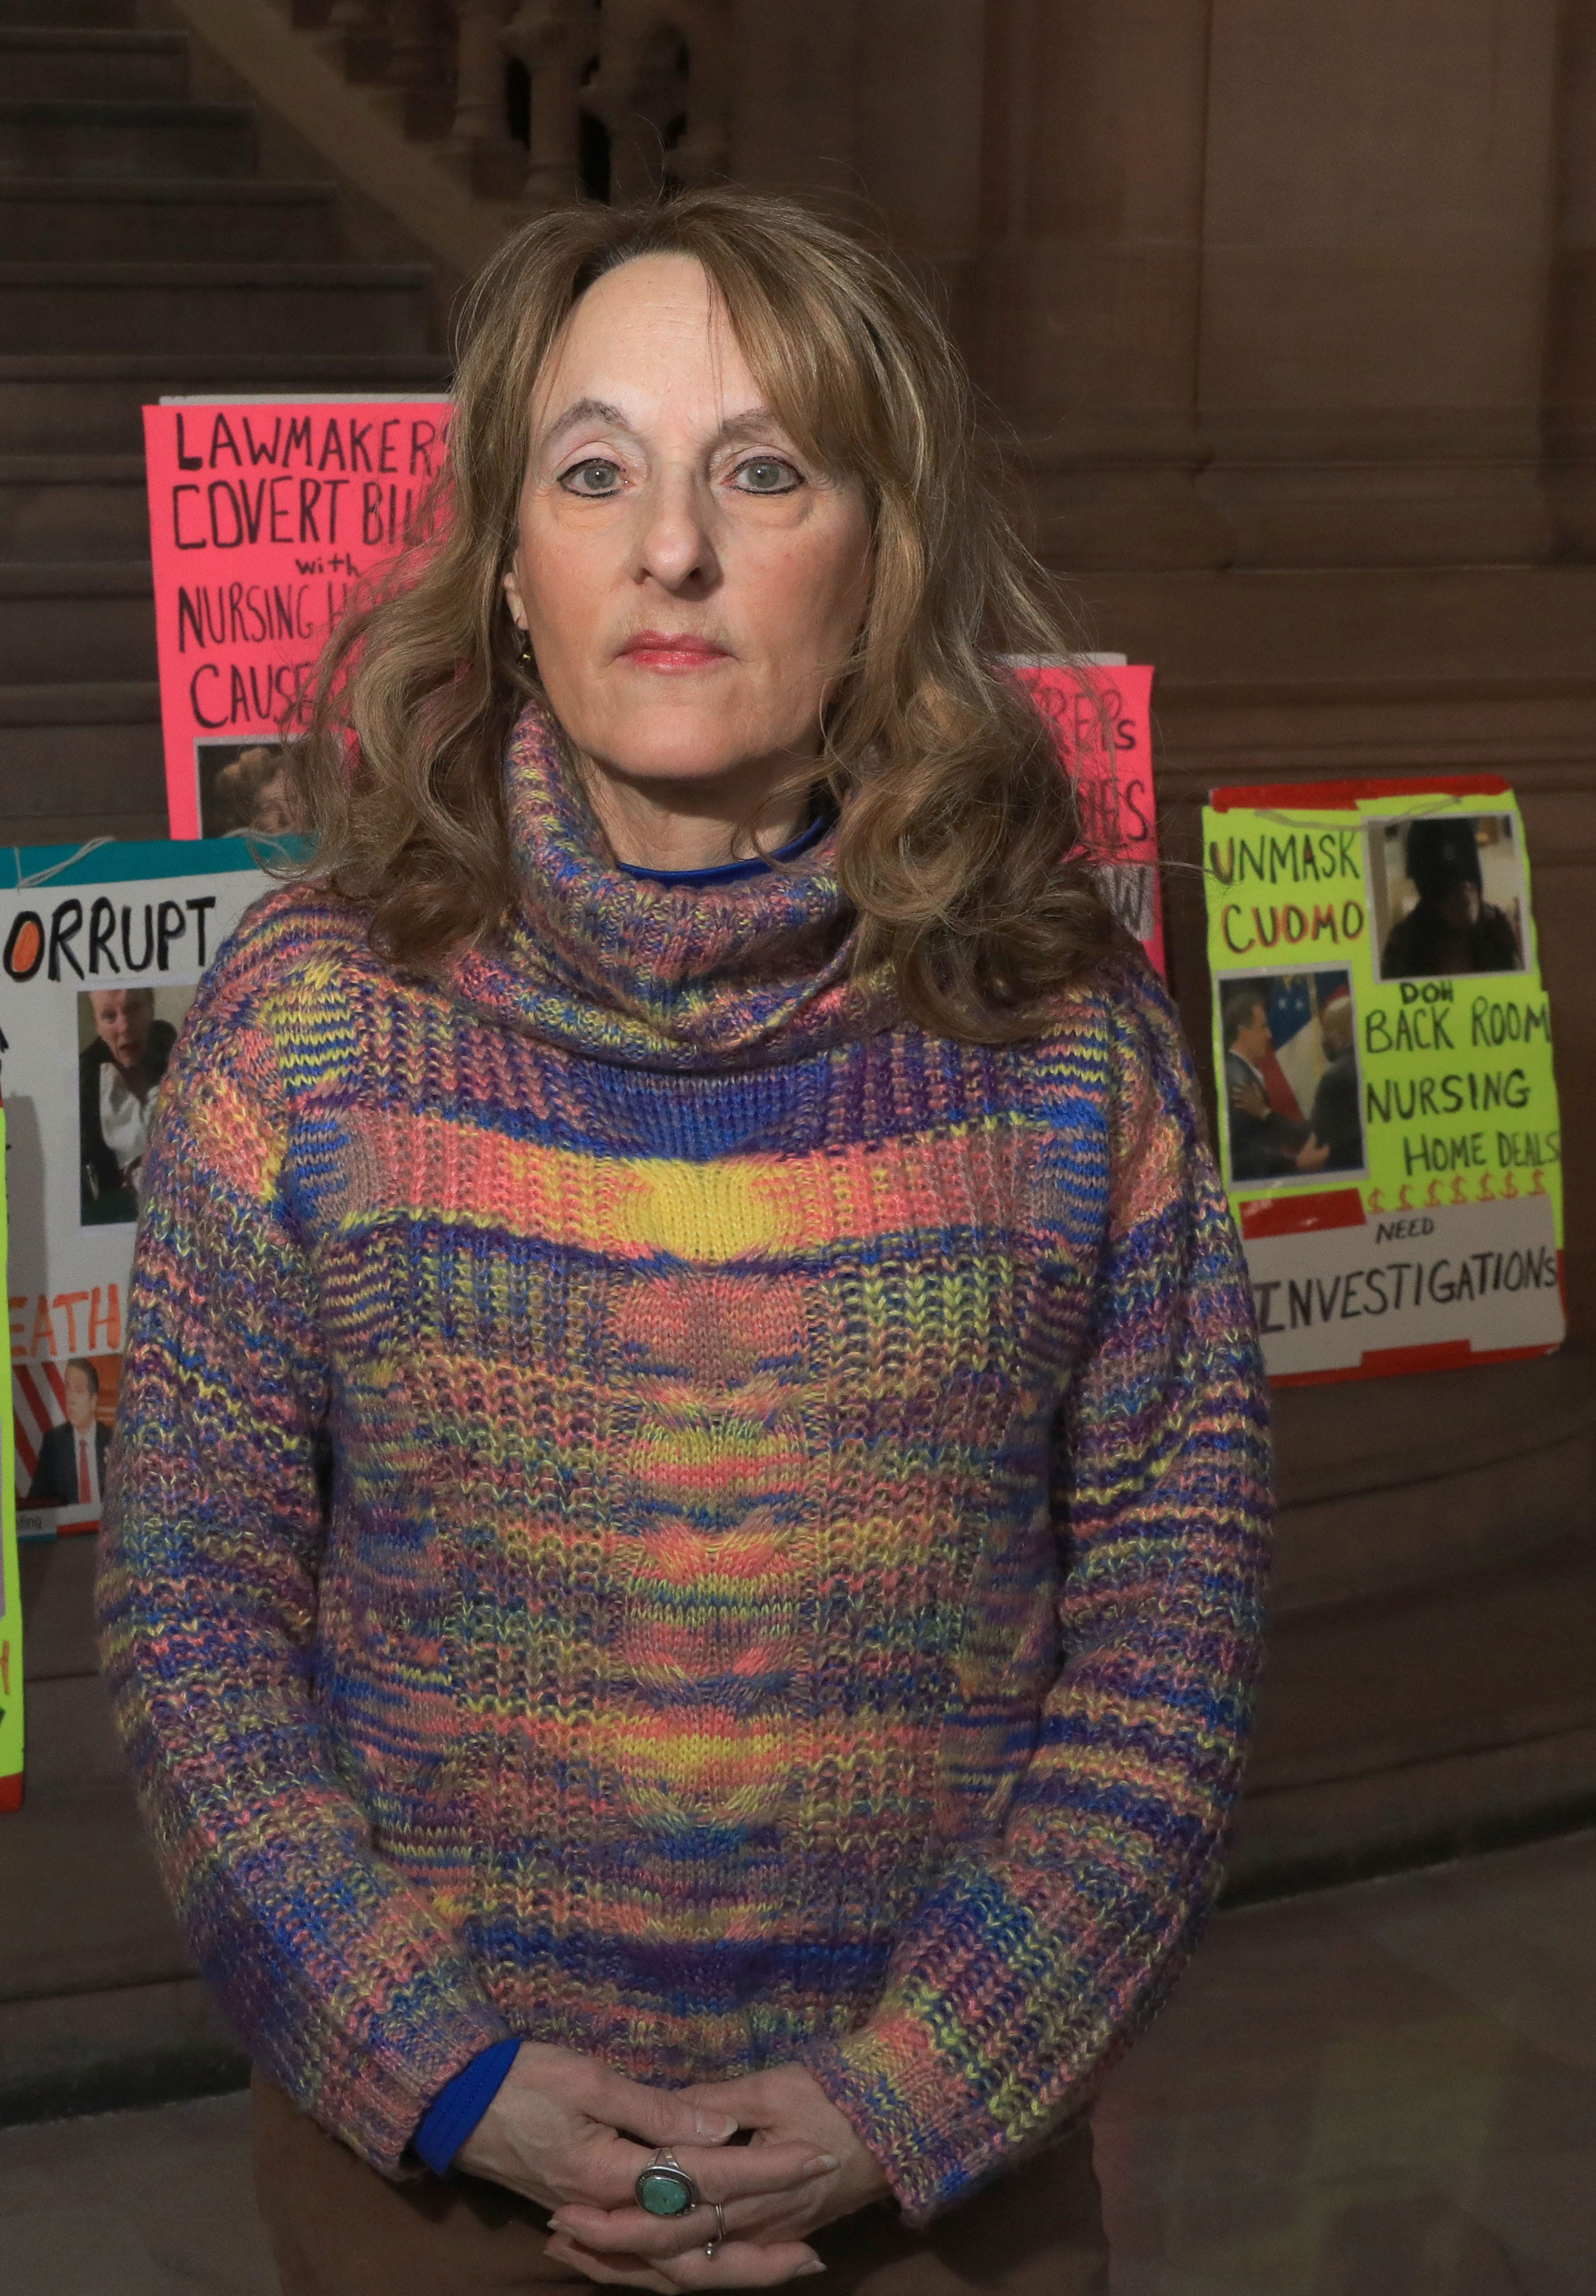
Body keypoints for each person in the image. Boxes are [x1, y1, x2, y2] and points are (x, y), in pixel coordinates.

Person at [101, 188, 1270, 2293]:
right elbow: (193, 1615)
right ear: (510, 569)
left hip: (936, 2200)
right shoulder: (302, 1021)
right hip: (433, 2192)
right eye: (592, 469)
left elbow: (1168, 1637)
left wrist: (905, 2093)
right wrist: (435, 2062)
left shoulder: (1069, 1046)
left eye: (759, 466)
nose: (670, 547)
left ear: (876, 551)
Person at [77, 986, 177, 1225]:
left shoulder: (169, 1044)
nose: (125, 1027)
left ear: (151, 1009)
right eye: (109, 1017)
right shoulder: (87, 1078)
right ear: (98, 1027)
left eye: (133, 1009)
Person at [1378, 818, 1523, 979]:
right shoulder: (1404, 946)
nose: (1463, 893)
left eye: (1470, 884)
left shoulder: (1497, 931)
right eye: (1449, 886)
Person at [1221, 985, 1329, 1183]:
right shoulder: (1240, 1082)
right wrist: (1294, 1163)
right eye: (1263, 1027)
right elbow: (1246, 1150)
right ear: (1243, 1032)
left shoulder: (1239, 1073)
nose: (1270, 1035)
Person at [32, 1357, 115, 1506]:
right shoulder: (53, 1442)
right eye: (67, 1389)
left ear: (93, 1401)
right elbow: (36, 1504)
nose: (70, 1398)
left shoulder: (113, 1440)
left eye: (78, 1390)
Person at [1306, 987, 1366, 1177]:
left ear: (1343, 1032)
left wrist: (1266, 1115)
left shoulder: (1335, 1078)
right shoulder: (1377, 1067)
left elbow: (1314, 1137)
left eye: (1328, 1030)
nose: (1324, 1039)